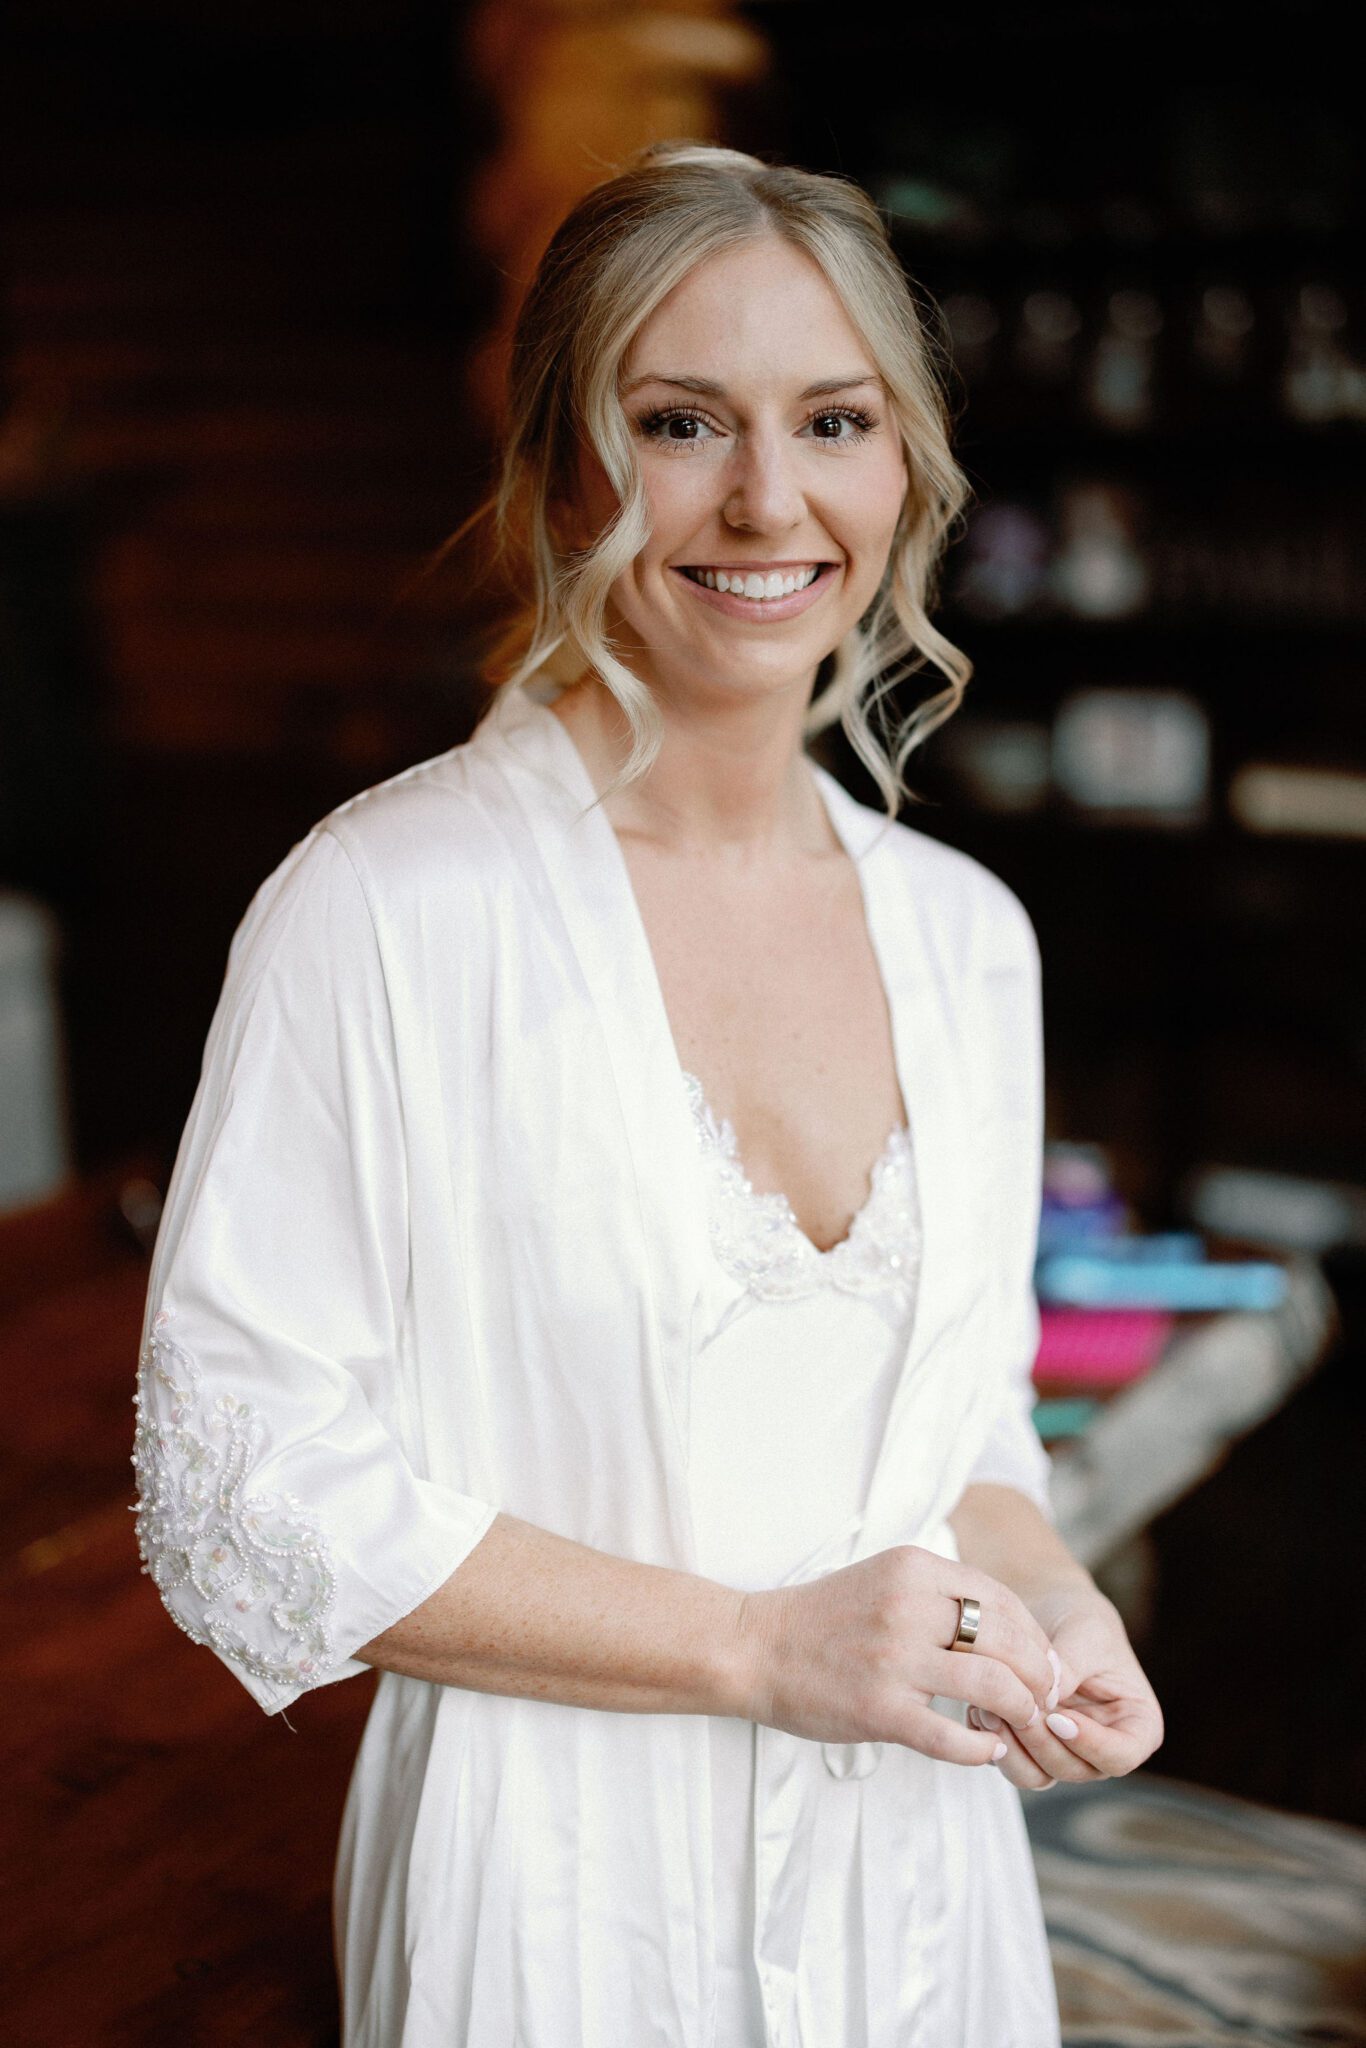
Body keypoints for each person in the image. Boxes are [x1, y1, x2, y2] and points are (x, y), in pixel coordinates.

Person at [130, 140, 1164, 2047]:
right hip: (550, 1898)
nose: (768, 499)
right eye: (680, 420)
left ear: (904, 466)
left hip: (919, 1894)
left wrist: (1038, 1585)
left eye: (831, 418)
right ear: (555, 470)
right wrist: (753, 1650)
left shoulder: (967, 939)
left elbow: (968, 1425)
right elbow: (240, 1485)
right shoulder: (383, 910)